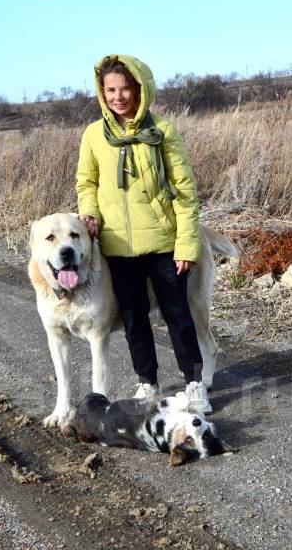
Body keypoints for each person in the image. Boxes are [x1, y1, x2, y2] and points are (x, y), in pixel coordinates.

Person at [76, 54, 210, 412]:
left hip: (164, 242)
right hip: (117, 246)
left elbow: (184, 189)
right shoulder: (93, 135)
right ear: (102, 93)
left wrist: (187, 244)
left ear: (140, 89)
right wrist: (89, 215)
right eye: (110, 90)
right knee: (134, 317)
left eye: (125, 89)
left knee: (177, 313)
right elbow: (86, 182)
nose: (118, 96)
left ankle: (195, 384)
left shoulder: (162, 130)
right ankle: (147, 383)